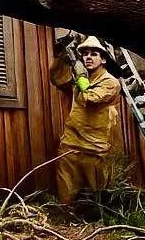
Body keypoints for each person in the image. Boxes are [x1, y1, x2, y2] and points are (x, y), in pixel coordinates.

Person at [49, 35, 122, 204]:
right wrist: (61, 56)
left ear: (103, 59)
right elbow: (57, 79)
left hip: (95, 148)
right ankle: (66, 222)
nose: (88, 57)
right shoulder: (79, 76)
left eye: (93, 54)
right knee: (66, 194)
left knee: (96, 197)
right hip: (71, 144)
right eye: (85, 54)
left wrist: (80, 77)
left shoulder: (110, 83)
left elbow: (90, 98)